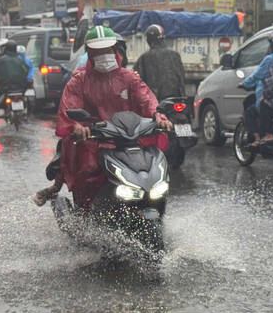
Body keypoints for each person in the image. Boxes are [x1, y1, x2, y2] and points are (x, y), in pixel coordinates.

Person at [33, 25, 171, 207]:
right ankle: (82, 207)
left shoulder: (130, 78)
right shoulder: (79, 80)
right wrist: (76, 125)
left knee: (151, 164)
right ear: (90, 53)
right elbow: (69, 106)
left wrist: (158, 116)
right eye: (98, 51)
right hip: (94, 139)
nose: (104, 55)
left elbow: (146, 99)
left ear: (115, 50)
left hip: (127, 136)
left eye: (107, 50)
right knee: (86, 166)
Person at [241, 32, 273, 145]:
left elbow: (256, 75)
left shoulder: (270, 59)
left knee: (250, 112)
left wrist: (244, 83)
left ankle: (257, 139)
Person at [133, 24, 186, 100]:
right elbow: (181, 76)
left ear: (148, 40)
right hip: (176, 97)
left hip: (154, 99)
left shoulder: (145, 57)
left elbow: (136, 78)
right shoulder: (175, 55)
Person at [0, 41, 29, 116]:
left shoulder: (1, 60)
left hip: (6, 86)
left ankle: (1, 109)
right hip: (20, 86)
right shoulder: (20, 59)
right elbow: (26, 70)